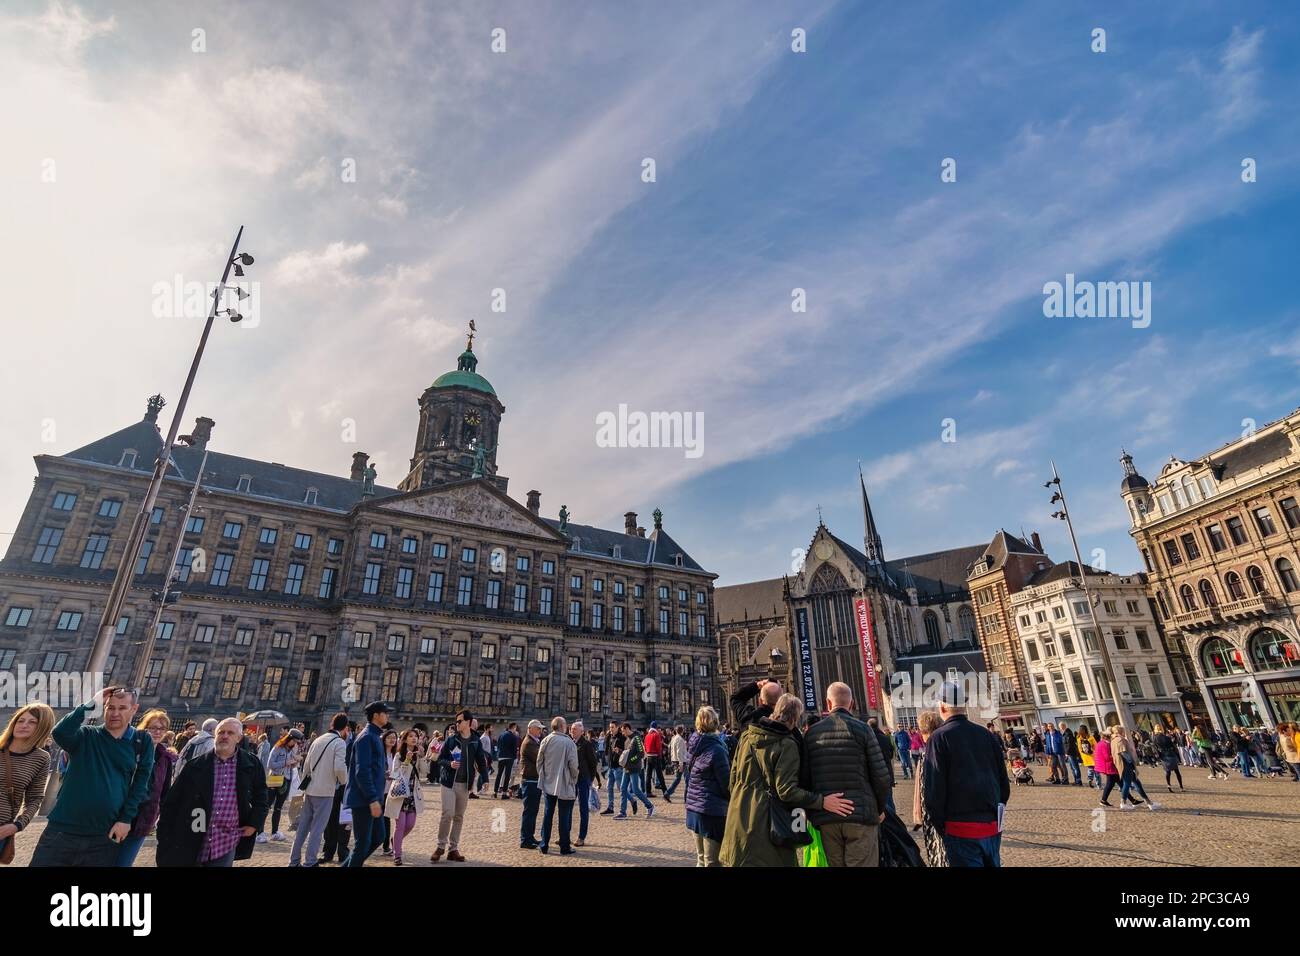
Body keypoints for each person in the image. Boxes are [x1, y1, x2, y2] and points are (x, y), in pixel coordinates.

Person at [720, 693, 852, 867]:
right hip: (765, 824)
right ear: (796, 717)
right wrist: (821, 801)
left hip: (738, 817)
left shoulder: (746, 736)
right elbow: (786, 791)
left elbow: (733, 778)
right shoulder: (786, 744)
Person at [30, 687, 155, 867]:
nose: (115, 713)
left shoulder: (141, 741)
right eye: (110, 707)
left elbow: (140, 784)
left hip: (104, 835)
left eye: (122, 708)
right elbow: (60, 733)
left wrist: (126, 819)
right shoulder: (86, 735)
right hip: (63, 830)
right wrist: (89, 705)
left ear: (134, 709)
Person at [156, 717, 269, 866]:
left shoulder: (251, 764)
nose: (225, 736)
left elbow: (261, 796)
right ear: (215, 735)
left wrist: (255, 823)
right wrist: (164, 835)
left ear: (239, 738)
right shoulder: (195, 765)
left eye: (230, 733)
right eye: (221, 732)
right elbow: (172, 802)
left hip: (227, 838)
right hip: (194, 835)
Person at [920, 681, 1009, 868]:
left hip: (959, 828)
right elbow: (1003, 783)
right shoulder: (987, 735)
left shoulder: (938, 738)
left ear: (942, 706)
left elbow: (933, 792)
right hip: (991, 825)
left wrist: (943, 827)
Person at [802, 681, 890, 867]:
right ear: (851, 704)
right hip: (861, 816)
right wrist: (879, 808)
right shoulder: (864, 729)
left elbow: (804, 779)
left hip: (828, 818)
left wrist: (818, 807)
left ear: (828, 703)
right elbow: (881, 776)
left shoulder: (811, 734)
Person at [290, 711, 349, 867]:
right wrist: (345, 782)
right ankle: (310, 861)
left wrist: (305, 786)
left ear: (332, 724)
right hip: (325, 791)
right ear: (345, 728)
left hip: (310, 789)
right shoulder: (339, 742)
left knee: (302, 827)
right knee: (317, 829)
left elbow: (307, 765)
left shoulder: (318, 739)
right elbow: (340, 768)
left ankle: (294, 860)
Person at [120, 708, 177, 866]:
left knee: (125, 862)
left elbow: (165, 792)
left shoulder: (165, 757)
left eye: (162, 728)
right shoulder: (130, 749)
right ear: (144, 728)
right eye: (153, 727)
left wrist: (163, 818)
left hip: (144, 818)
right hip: (119, 814)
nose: (157, 732)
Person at [431, 708, 488, 862]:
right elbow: (440, 759)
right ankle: (440, 846)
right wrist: (450, 763)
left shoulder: (476, 740)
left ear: (468, 722)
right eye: (456, 721)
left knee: (459, 817)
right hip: (449, 782)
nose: (456, 723)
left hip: (465, 784)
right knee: (447, 814)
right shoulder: (451, 739)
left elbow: (481, 761)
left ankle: (453, 849)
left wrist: (486, 778)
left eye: (459, 721)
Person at [0, 703, 54, 863]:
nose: (23, 725)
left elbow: (35, 798)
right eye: (21, 720)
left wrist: (17, 825)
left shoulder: (41, 758)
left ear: (42, 727)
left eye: (32, 722)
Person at [343, 701, 391, 867]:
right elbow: (361, 771)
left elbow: (371, 767)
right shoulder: (366, 737)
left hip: (372, 798)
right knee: (362, 843)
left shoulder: (374, 735)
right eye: (385, 712)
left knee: (379, 837)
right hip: (364, 799)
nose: (387, 715)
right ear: (376, 715)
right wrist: (372, 799)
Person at [683, 705, 729, 866]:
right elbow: (726, 784)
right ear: (716, 723)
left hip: (694, 809)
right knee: (713, 862)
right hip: (711, 812)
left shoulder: (693, 745)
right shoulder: (717, 749)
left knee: (701, 859)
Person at [536, 716, 579, 855]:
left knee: (548, 814)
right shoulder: (569, 742)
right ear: (562, 727)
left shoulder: (546, 740)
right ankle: (564, 846)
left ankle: (544, 845)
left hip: (549, 783)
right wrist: (574, 778)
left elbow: (539, 762)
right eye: (565, 725)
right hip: (565, 784)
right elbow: (573, 765)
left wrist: (544, 776)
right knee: (564, 816)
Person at [910, 710, 946, 866]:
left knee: (940, 857)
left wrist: (921, 817)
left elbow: (926, 794)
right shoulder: (950, 747)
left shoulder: (927, 756)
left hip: (937, 821)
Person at [320, 720, 357, 864]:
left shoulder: (355, 744)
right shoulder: (333, 742)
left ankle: (343, 853)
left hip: (348, 788)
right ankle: (328, 852)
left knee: (345, 822)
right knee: (330, 821)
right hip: (332, 787)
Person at [386, 730, 424, 864]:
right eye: (411, 736)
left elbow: (424, 773)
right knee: (400, 826)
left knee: (410, 825)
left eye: (416, 736)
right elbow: (397, 773)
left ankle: (395, 841)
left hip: (413, 795)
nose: (414, 739)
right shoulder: (398, 755)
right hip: (400, 794)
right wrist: (407, 760)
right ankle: (397, 854)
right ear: (405, 739)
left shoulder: (418, 756)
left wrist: (423, 757)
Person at [260, 729, 303, 843]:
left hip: (286, 780)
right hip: (275, 778)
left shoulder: (291, 750)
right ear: (289, 739)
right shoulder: (277, 747)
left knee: (278, 807)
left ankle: (274, 832)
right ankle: (260, 832)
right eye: (294, 741)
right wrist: (285, 763)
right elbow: (270, 764)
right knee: (267, 805)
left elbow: (290, 766)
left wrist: (294, 764)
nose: (294, 744)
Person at [1112, 726, 1160, 810]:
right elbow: (1123, 752)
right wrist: (1131, 761)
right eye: (1123, 731)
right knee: (1127, 783)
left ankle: (1149, 802)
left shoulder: (1113, 741)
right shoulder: (1120, 739)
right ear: (1120, 731)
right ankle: (1123, 802)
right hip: (1125, 765)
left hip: (1121, 765)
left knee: (1137, 783)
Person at [616, 722, 655, 819]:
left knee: (636, 790)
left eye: (623, 731)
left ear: (626, 728)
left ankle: (650, 806)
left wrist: (631, 761)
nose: (622, 733)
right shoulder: (627, 740)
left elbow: (641, 754)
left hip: (634, 768)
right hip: (627, 768)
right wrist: (620, 752)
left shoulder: (636, 738)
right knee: (623, 788)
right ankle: (623, 812)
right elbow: (628, 754)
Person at [571, 720, 599, 847]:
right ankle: (565, 835)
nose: (572, 731)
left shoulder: (586, 744)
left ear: (582, 732)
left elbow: (593, 763)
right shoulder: (569, 742)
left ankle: (581, 837)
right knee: (568, 807)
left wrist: (590, 779)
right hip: (571, 780)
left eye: (574, 729)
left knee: (583, 809)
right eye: (571, 729)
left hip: (583, 779)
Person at [519, 718, 544, 848]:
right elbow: (539, 758)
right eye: (538, 728)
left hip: (533, 779)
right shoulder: (529, 743)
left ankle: (530, 836)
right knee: (529, 811)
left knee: (533, 811)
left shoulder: (534, 741)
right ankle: (525, 840)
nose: (540, 731)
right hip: (530, 780)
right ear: (531, 729)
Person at [600, 721, 625, 815]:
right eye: (610, 727)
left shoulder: (622, 738)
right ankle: (610, 807)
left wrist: (619, 751)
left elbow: (625, 752)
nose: (611, 729)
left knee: (620, 788)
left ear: (617, 727)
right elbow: (606, 749)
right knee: (609, 787)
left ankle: (632, 800)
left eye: (613, 727)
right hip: (611, 766)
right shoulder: (609, 737)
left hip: (618, 766)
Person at [663, 724, 690, 798]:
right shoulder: (680, 739)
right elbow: (679, 752)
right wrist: (681, 764)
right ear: (682, 731)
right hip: (681, 762)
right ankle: (686, 797)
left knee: (678, 779)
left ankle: (667, 793)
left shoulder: (674, 738)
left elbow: (670, 748)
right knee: (687, 780)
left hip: (675, 760)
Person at [494, 722, 519, 798]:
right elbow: (514, 749)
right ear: (513, 727)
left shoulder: (501, 735)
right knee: (507, 775)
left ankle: (495, 791)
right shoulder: (513, 736)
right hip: (509, 757)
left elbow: (498, 745)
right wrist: (515, 757)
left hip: (501, 756)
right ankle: (504, 793)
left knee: (499, 774)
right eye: (515, 728)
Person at [643, 722, 667, 798]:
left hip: (648, 756)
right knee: (660, 775)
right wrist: (660, 756)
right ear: (656, 728)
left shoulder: (647, 735)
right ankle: (665, 791)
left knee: (648, 775)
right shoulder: (656, 735)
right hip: (655, 756)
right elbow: (658, 747)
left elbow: (645, 746)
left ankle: (648, 792)